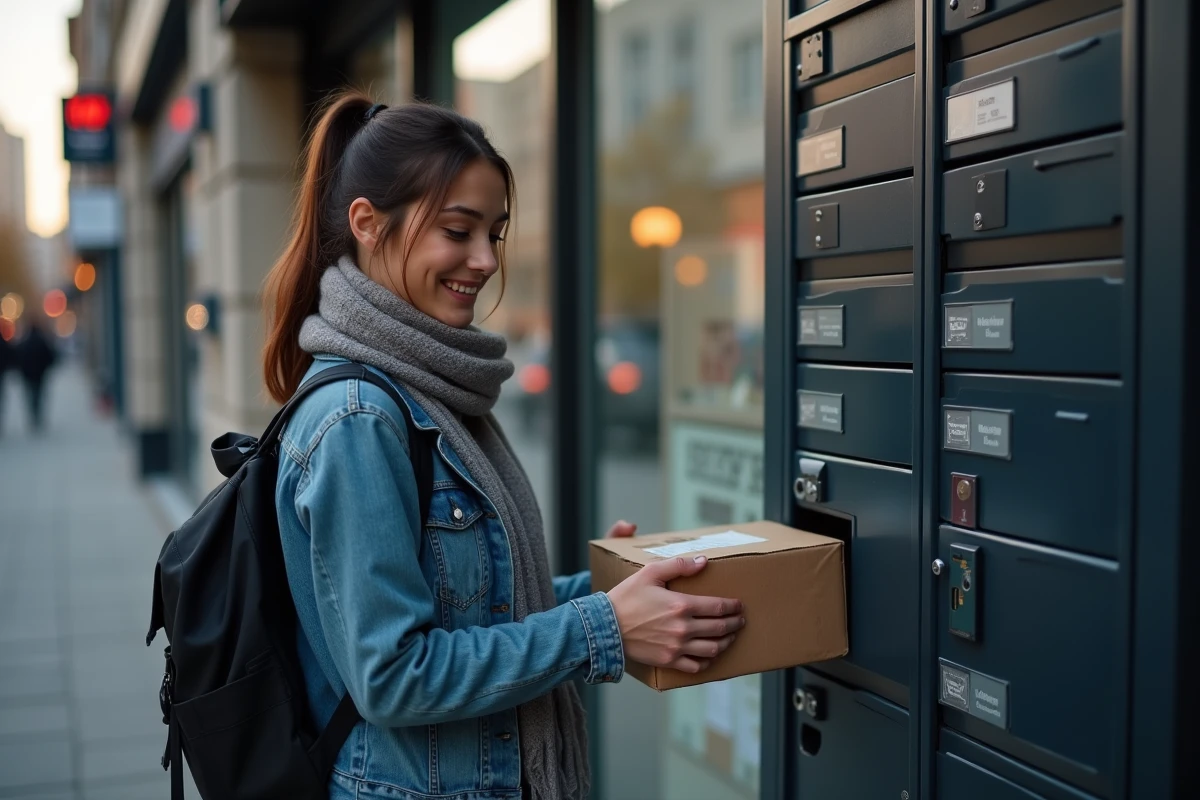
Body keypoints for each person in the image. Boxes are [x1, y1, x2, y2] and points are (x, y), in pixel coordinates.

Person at [263, 92, 746, 800]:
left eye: (496, 232)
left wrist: (609, 594)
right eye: (457, 231)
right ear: (367, 223)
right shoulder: (359, 418)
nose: (485, 260)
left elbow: (464, 608)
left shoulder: (430, 389)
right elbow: (395, 676)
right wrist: (601, 627)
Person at [16, 317, 57, 433]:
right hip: (40, 374)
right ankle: (37, 416)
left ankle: (33, 416)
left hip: (28, 375)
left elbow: (19, 358)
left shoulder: (25, 341)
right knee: (38, 394)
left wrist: (22, 371)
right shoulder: (42, 340)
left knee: (30, 395)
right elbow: (50, 356)